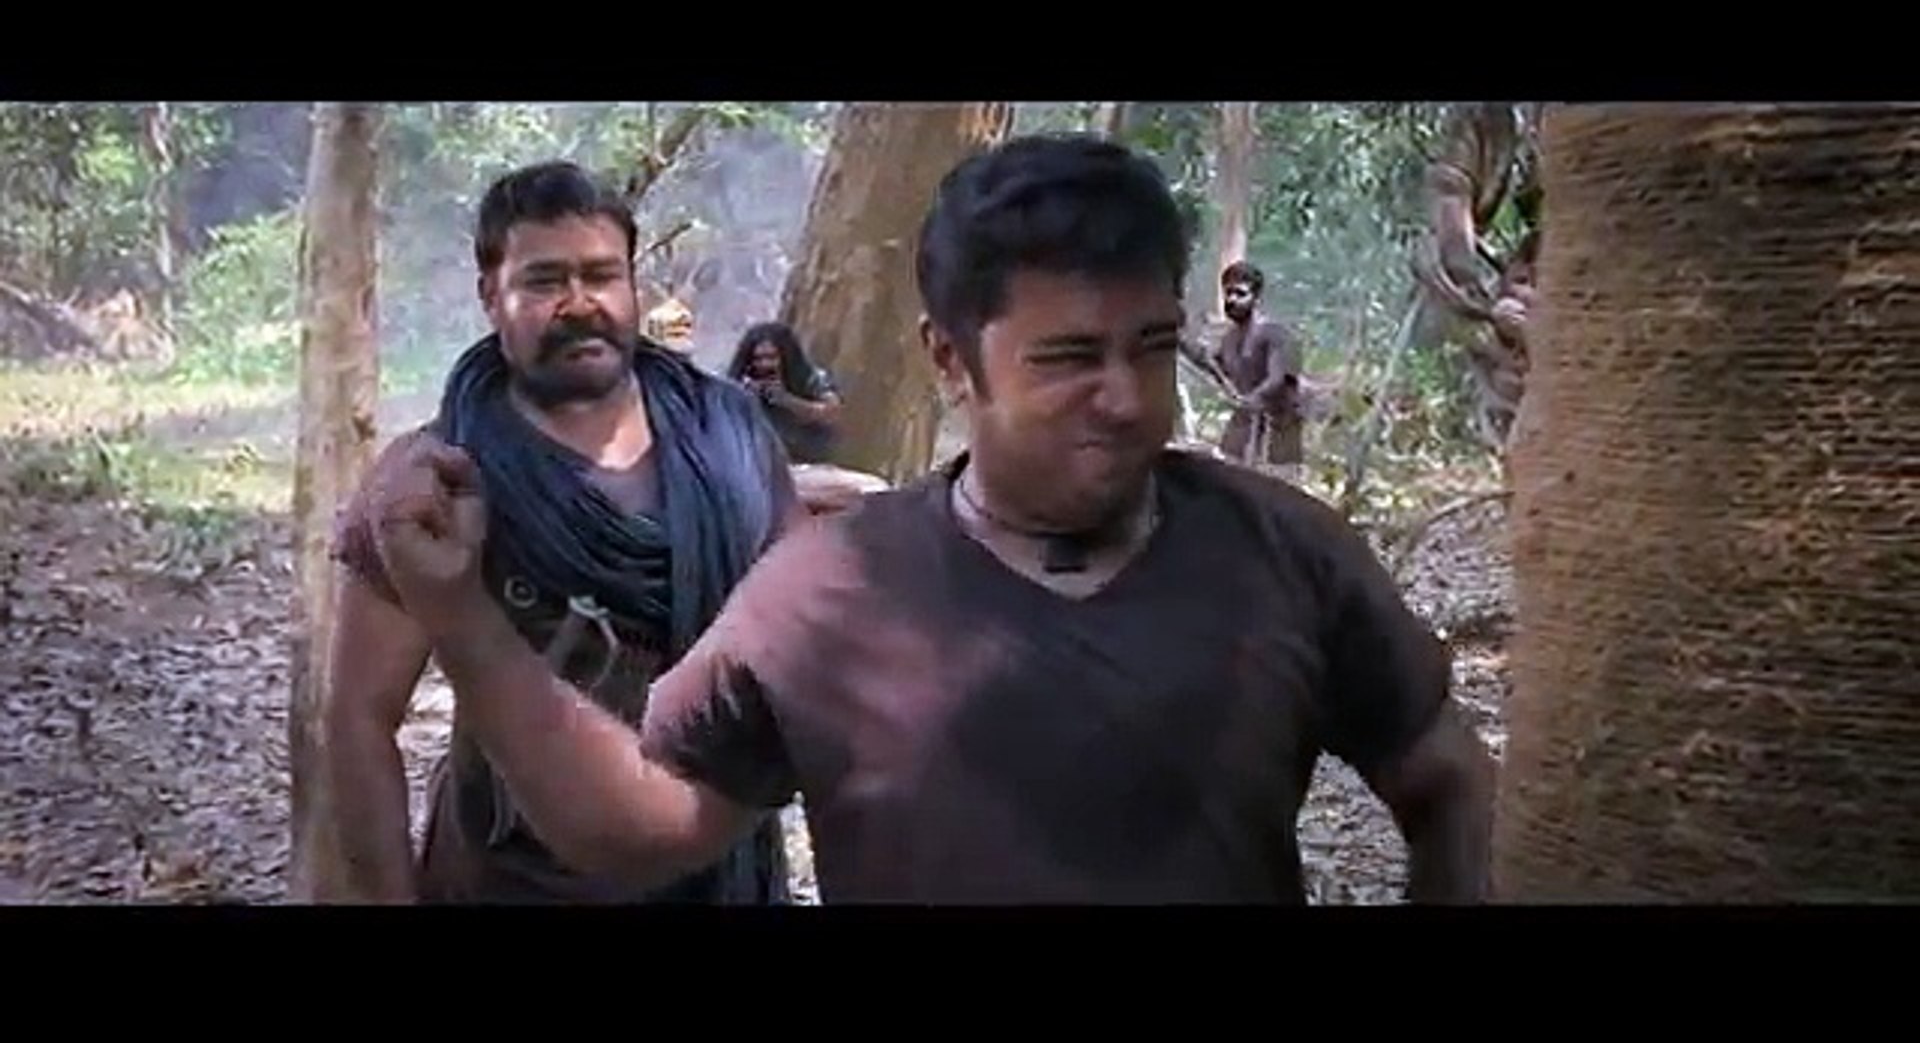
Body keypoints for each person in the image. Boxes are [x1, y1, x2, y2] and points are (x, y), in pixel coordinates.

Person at [361, 135, 1495, 904]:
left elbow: (1444, 773)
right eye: (1068, 358)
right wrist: (463, 621)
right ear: (949, 360)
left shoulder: (1287, 552)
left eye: (1150, 348)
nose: (1125, 399)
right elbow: (634, 830)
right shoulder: (827, 596)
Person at [318, 160, 798, 904]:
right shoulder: (434, 485)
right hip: (505, 880)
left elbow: (800, 654)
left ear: (633, 286)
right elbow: (359, 716)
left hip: (715, 867)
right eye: (544, 282)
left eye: (602, 275)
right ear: (491, 295)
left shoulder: (733, 444)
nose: (579, 303)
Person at [1197, 261, 1305, 478]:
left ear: (1256, 299)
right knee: (1229, 478)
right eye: (1228, 293)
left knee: (1274, 489)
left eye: (1240, 294)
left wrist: (1251, 400)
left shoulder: (1275, 334)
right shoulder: (1229, 340)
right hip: (1244, 426)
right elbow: (1216, 369)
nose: (1232, 300)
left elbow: (1277, 379)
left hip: (1278, 430)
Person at [725, 321, 843, 465]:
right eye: (758, 359)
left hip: (803, 458)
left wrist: (787, 400)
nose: (765, 364)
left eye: (772, 357)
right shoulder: (736, 382)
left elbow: (831, 412)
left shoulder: (811, 377)